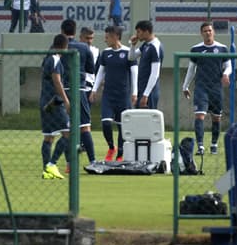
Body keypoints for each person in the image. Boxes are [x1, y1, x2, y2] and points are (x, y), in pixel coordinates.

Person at [182, 22, 232, 159]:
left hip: (216, 88)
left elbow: (228, 66)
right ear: (201, 33)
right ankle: (200, 146)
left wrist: (226, 74)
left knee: (216, 118)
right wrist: (185, 86)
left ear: (213, 32)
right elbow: (191, 70)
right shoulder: (196, 49)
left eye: (210, 30)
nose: (208, 33)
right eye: (205, 31)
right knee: (199, 116)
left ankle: (214, 144)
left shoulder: (222, 48)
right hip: (201, 88)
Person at [91, 24, 136, 161]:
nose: (105, 40)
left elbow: (134, 73)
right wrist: (94, 90)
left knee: (122, 126)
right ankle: (111, 147)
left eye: (107, 37)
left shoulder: (129, 52)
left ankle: (120, 154)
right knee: (106, 122)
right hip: (108, 96)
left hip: (123, 95)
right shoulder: (105, 53)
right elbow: (100, 73)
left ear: (116, 37)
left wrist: (135, 92)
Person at [61, 18, 97, 165]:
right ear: (75, 32)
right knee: (84, 127)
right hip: (80, 89)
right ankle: (93, 161)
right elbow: (91, 69)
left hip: (63, 90)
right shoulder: (83, 48)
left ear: (62, 31)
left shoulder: (57, 46)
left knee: (66, 128)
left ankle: (70, 163)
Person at [39, 34, 71, 180]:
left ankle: (46, 170)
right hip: (54, 102)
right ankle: (52, 163)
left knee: (49, 137)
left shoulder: (48, 57)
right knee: (68, 133)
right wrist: (66, 100)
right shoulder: (54, 58)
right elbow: (57, 81)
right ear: (64, 46)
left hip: (45, 101)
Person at [131, 19, 163, 110]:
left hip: (150, 92)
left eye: (138, 32)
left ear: (146, 32)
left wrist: (146, 95)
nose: (137, 35)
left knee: (149, 121)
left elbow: (155, 74)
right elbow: (131, 57)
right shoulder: (146, 45)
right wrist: (132, 45)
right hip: (142, 88)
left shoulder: (155, 46)